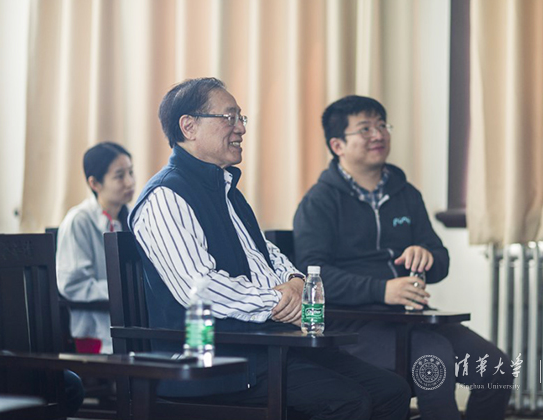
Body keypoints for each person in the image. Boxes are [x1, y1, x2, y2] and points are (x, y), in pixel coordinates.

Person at [129, 78, 410, 420]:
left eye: (241, 118)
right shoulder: (166, 196)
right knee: (347, 402)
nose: (241, 128)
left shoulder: (226, 190)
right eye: (229, 117)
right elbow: (199, 288)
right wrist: (277, 303)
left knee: (392, 391)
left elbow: (265, 253)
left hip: (264, 344)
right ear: (189, 127)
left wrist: (294, 281)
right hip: (212, 358)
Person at [293, 95, 513, 420]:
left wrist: (427, 256)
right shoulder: (319, 201)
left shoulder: (406, 194)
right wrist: (382, 290)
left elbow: (441, 260)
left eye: (382, 125)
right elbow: (314, 272)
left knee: (496, 368)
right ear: (338, 145)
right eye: (365, 129)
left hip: (412, 319)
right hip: (355, 325)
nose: (378, 134)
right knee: (434, 360)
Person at [57, 142, 136, 353]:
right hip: (95, 333)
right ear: (94, 183)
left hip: (132, 326)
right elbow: (73, 285)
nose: (130, 182)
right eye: (119, 176)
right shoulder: (78, 221)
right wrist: (127, 291)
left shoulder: (134, 218)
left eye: (131, 172)